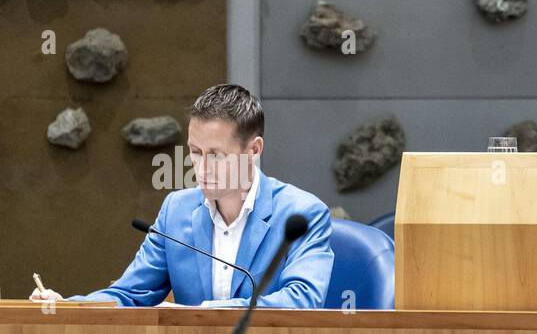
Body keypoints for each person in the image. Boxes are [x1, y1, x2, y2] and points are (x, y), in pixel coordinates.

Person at [30, 84, 334, 308]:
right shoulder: (176, 210)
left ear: (253, 150)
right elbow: (130, 294)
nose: (202, 167)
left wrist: (201, 313)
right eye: (195, 152)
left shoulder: (303, 214)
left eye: (216, 155)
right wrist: (69, 306)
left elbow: (302, 300)